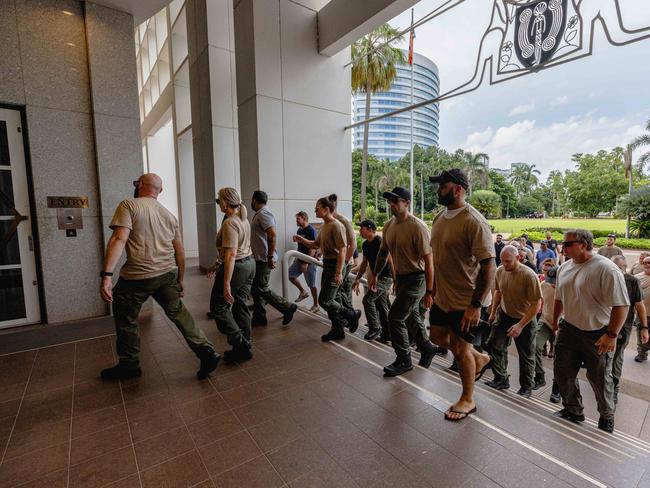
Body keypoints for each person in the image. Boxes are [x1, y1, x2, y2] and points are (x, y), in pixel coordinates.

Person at [99, 173, 219, 380]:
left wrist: (107, 275)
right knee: (179, 314)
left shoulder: (129, 205)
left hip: (137, 276)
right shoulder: (169, 215)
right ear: (160, 191)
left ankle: (129, 364)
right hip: (166, 274)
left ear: (141, 185)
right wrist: (181, 279)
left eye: (137, 183)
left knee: (126, 317)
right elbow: (179, 250)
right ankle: (205, 350)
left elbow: (119, 238)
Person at [426, 169, 494, 421]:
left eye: (443, 185)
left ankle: (468, 399)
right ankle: (480, 357)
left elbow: (489, 265)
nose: (438, 189)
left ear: (458, 189)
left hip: (467, 299)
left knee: (459, 347)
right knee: (436, 336)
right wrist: (431, 290)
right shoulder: (439, 218)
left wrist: (475, 305)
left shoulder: (473, 221)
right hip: (443, 296)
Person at [552, 229, 629, 433]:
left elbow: (621, 305)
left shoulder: (606, 269)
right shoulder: (564, 268)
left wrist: (611, 335)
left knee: (600, 379)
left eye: (568, 244)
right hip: (569, 329)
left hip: (598, 333)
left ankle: (606, 417)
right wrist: (554, 322)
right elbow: (559, 297)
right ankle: (573, 409)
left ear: (584, 244)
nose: (563, 247)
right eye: (563, 244)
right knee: (562, 372)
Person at [370, 186, 439, 377]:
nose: (391, 204)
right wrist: (375, 274)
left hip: (417, 278)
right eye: (390, 201)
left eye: (396, 201)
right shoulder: (389, 225)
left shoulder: (418, 227)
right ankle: (426, 347)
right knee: (411, 315)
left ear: (407, 203)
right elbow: (383, 253)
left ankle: (404, 359)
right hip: (402, 278)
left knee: (395, 317)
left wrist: (429, 291)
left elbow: (429, 261)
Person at [294, 195, 361, 341]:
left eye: (317, 208)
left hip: (335, 265)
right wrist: (302, 240)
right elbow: (315, 245)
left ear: (326, 209)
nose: (314, 211)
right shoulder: (325, 226)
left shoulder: (337, 225)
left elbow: (343, 250)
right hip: (327, 264)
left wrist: (339, 272)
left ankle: (351, 314)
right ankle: (337, 330)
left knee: (325, 300)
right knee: (332, 299)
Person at [208, 187, 256, 363]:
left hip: (237, 267)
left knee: (219, 307)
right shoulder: (243, 219)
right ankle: (244, 343)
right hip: (249, 264)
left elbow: (231, 254)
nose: (218, 202)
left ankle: (241, 344)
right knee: (239, 304)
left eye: (219, 199)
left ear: (226, 202)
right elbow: (229, 252)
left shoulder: (230, 222)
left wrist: (226, 283)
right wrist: (216, 264)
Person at [486, 246, 542, 397]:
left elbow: (536, 304)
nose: (505, 264)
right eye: (502, 261)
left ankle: (526, 387)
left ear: (518, 258)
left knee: (526, 355)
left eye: (508, 261)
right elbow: (498, 292)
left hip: (525, 319)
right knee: (495, 345)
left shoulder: (528, 275)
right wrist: (492, 313)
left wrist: (520, 325)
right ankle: (501, 378)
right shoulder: (500, 270)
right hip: (504, 314)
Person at [249, 191, 298, 327]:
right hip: (260, 257)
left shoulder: (264, 213)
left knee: (261, 288)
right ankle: (259, 317)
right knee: (256, 288)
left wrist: (270, 256)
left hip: (265, 258)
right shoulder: (261, 213)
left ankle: (287, 307)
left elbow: (272, 235)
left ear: (254, 200)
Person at [611, 255, 648, 403]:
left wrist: (644, 328)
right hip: (602, 325)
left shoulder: (632, 281)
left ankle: (614, 388)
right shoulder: (607, 277)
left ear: (625, 267)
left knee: (616, 357)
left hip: (623, 328)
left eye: (618, 268)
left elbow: (640, 306)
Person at [352, 220, 394, 342]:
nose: (360, 230)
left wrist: (395, 281)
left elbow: (390, 261)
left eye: (362, 228)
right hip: (376, 278)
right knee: (382, 305)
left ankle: (375, 328)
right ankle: (388, 334)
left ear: (370, 229)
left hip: (385, 277)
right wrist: (357, 279)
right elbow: (364, 263)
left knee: (368, 300)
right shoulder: (365, 245)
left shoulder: (380, 241)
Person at [534, 262, 560, 401]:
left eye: (555, 282)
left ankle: (557, 388)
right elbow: (540, 301)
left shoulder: (569, 289)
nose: (552, 285)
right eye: (550, 282)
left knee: (560, 359)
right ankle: (539, 375)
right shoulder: (544, 285)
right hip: (545, 322)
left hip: (563, 326)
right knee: (535, 346)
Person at [328, 194, 357, 313]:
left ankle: (351, 315)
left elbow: (353, 244)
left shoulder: (343, 221)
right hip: (335, 262)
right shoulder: (329, 221)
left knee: (340, 291)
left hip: (344, 263)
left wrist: (345, 263)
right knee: (338, 291)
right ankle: (346, 316)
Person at [288, 211, 319, 312]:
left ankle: (316, 305)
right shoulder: (299, 231)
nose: (296, 221)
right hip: (300, 259)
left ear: (304, 219)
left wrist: (306, 262)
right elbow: (301, 245)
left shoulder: (311, 230)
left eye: (298, 219)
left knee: (311, 284)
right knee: (290, 275)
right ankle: (303, 292)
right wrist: (297, 240)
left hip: (309, 261)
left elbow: (313, 248)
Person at [633, 256, 650, 362]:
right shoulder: (637, 278)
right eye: (644, 263)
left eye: (649, 262)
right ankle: (642, 353)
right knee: (641, 331)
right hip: (643, 312)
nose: (647, 265)